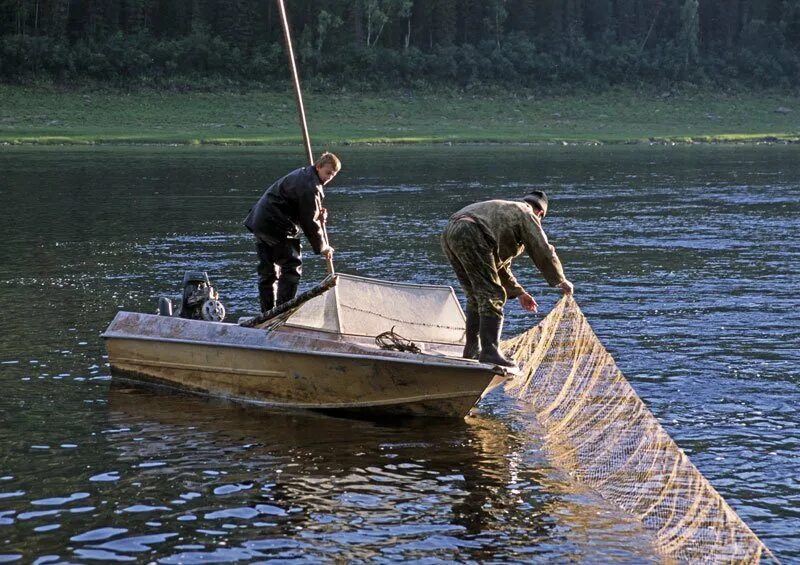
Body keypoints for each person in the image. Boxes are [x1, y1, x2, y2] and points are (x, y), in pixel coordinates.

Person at [440, 190, 574, 368]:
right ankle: (490, 352)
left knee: (475, 294)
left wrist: (520, 292)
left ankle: (472, 349)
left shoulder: (504, 211)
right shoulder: (526, 213)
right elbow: (542, 248)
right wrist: (560, 279)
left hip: (450, 232)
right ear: (540, 213)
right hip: (472, 232)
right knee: (493, 294)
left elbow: (499, 265)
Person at [244, 152, 341, 314]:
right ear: (318, 166)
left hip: (260, 221)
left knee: (267, 272)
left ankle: (266, 313)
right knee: (291, 266)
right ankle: (282, 311)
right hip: (275, 225)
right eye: (328, 172)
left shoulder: (305, 175)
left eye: (333, 175)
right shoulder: (310, 186)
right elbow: (309, 222)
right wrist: (323, 247)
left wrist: (317, 212)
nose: (330, 177)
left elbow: (305, 210)